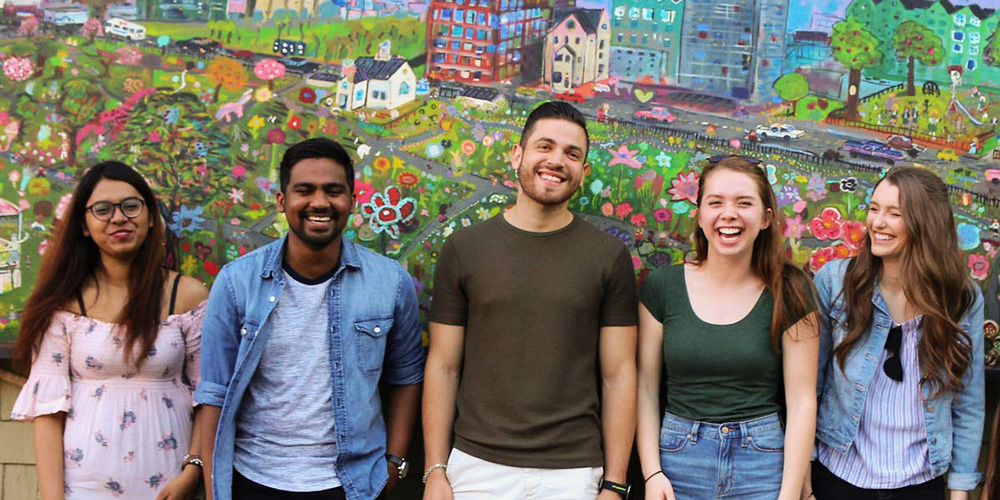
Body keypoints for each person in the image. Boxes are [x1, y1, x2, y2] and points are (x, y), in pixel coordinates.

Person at [422, 101, 638, 500]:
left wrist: (615, 484)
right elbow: (443, 366)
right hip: (476, 469)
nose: (557, 161)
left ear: (584, 172)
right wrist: (435, 469)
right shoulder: (465, 249)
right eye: (545, 147)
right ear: (518, 155)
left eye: (572, 154)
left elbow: (619, 375)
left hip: (573, 473)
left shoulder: (608, 257)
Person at [196, 138, 424, 500]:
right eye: (305, 190)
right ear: (282, 201)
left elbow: (407, 376)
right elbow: (214, 393)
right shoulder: (236, 282)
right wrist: (213, 490)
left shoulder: (390, 282)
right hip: (253, 480)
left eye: (333, 191)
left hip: (353, 484)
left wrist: (394, 463)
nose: (320, 202)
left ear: (351, 200)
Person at [11, 161, 209, 499]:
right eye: (102, 209)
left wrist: (192, 471)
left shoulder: (187, 296)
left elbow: (209, 396)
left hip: (169, 486)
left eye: (131, 206)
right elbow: (48, 415)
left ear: (150, 217)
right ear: (85, 225)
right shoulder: (65, 303)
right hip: (84, 488)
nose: (118, 218)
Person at [636, 155, 819, 500]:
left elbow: (801, 402)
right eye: (715, 202)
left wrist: (790, 494)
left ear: (766, 219)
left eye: (744, 203)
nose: (729, 214)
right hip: (677, 465)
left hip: (762, 465)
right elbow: (645, 388)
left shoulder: (792, 290)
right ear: (700, 214)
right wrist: (652, 473)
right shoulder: (663, 287)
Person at [809, 166, 985, 499]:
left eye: (895, 213)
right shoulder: (835, 282)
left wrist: (960, 489)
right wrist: (804, 468)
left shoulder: (960, 297)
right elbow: (809, 385)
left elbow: (968, 399)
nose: (877, 222)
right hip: (839, 476)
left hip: (920, 482)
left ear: (925, 223)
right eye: (874, 208)